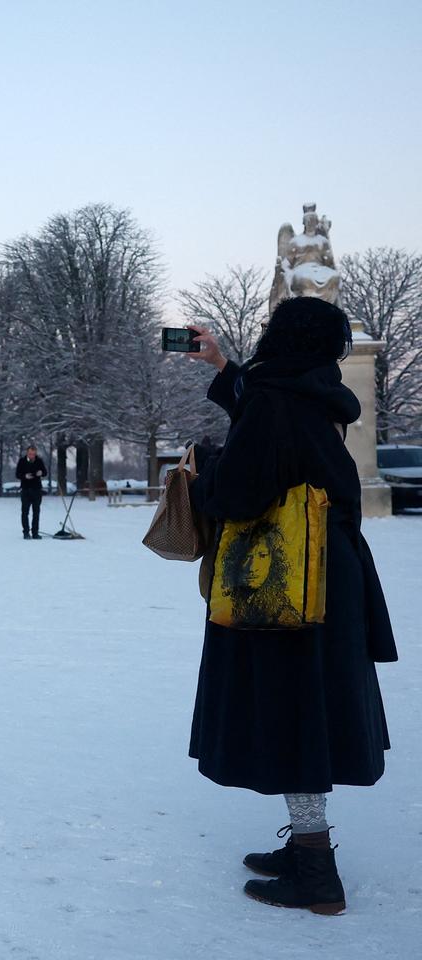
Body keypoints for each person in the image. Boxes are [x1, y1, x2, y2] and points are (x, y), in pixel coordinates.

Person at [186, 298, 395, 915]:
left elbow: (240, 493)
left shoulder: (275, 400)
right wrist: (222, 367)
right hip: (329, 573)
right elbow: (269, 420)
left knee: (293, 716)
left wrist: (204, 471)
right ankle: (307, 847)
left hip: (283, 582)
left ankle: (316, 872)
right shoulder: (314, 393)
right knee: (308, 712)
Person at [15, 445, 47, 539]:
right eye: (30, 454)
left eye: (33, 454)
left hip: (37, 490)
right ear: (27, 453)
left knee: (36, 512)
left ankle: (35, 532)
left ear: (35, 453)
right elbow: (17, 474)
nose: (31, 456)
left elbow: (45, 472)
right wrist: (25, 476)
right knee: (25, 512)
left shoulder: (39, 461)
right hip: (25, 490)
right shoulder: (22, 461)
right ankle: (26, 532)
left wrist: (41, 473)